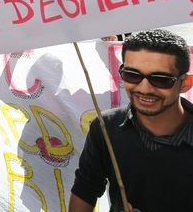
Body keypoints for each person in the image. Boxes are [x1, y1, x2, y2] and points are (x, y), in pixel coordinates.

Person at [69, 29, 193, 212]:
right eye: (132, 75)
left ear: (185, 84)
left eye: (160, 79)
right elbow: (85, 190)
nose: (144, 88)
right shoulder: (105, 127)